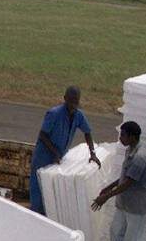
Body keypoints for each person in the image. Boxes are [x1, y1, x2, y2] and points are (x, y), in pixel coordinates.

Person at [91, 121, 146, 241]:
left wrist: (106, 197)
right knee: (115, 232)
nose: (120, 138)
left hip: (138, 207)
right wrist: (108, 187)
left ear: (132, 137)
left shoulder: (140, 157)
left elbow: (128, 183)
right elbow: (124, 177)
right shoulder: (130, 150)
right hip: (125, 204)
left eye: (123, 135)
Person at [30, 85, 99, 215]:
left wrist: (93, 153)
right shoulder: (54, 114)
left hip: (58, 156)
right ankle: (35, 216)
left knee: (52, 191)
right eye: (71, 99)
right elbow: (43, 135)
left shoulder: (79, 115)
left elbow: (87, 132)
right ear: (65, 98)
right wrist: (55, 152)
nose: (74, 103)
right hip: (43, 156)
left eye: (76, 100)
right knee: (38, 190)